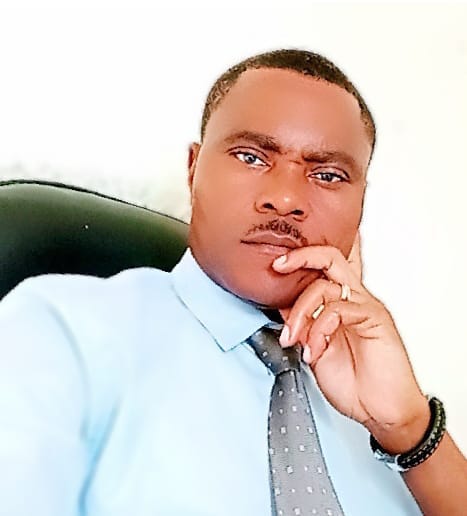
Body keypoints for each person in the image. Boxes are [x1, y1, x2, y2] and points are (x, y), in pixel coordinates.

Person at [0, 49, 465, 516]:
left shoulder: (375, 395)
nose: (285, 199)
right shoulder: (61, 331)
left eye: (327, 175)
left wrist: (411, 429)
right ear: (193, 170)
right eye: (251, 157)